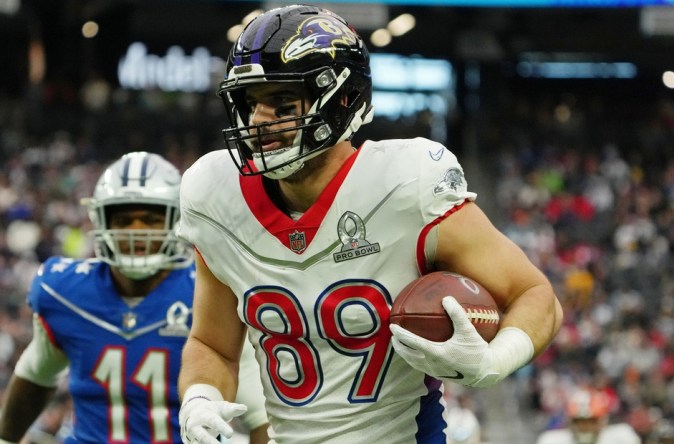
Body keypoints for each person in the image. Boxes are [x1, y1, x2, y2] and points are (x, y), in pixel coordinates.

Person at [175, 4, 563, 444]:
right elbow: (212, 345)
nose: (259, 121)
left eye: (282, 102)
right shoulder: (215, 196)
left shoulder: (405, 185)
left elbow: (536, 296)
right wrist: (201, 398)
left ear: (341, 100)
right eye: (251, 103)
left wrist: (493, 363)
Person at [0, 152, 269, 444]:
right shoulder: (66, 293)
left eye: (150, 219)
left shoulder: (208, 291)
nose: (137, 231)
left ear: (176, 220)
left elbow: (262, 415)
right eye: (123, 219)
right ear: (100, 220)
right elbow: (36, 374)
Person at [536, 389, 641, 444]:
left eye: (591, 421)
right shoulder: (551, 440)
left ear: (602, 421)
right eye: (580, 422)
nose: (585, 427)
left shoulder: (622, 436)